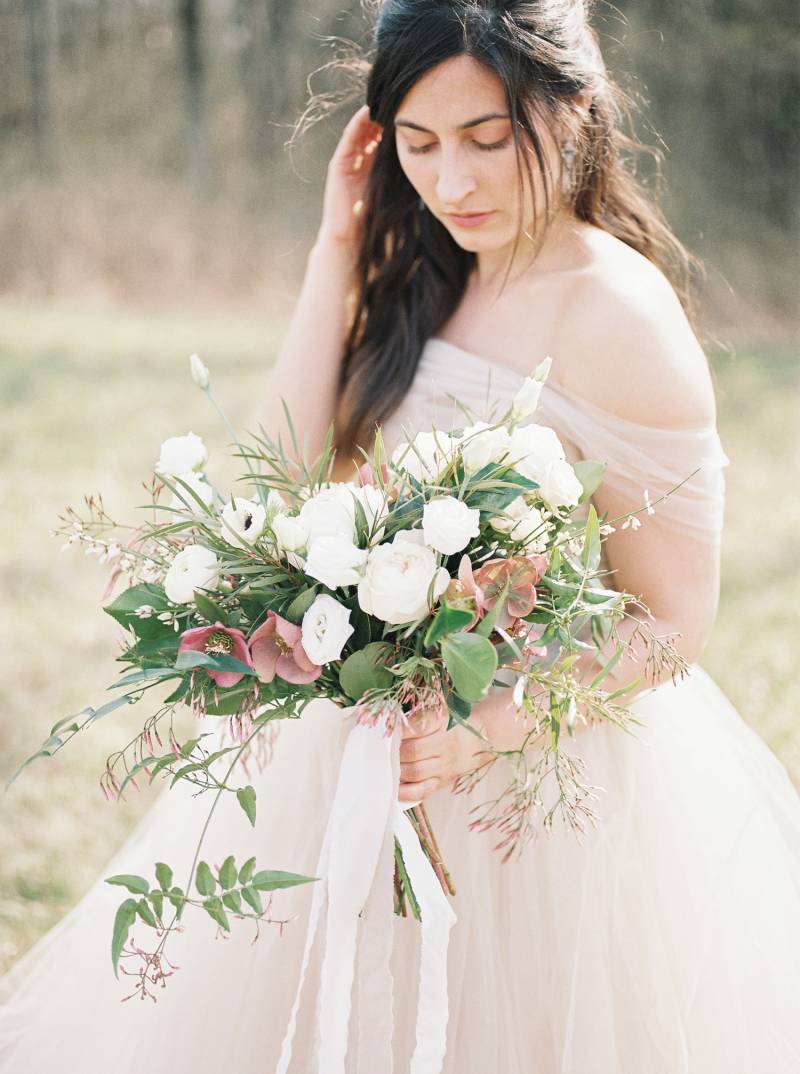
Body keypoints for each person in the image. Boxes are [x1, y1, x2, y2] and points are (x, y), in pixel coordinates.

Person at [2, 2, 799, 1071]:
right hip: (361, 748)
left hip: (533, 780)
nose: (452, 183)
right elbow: (279, 480)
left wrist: (487, 730)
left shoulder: (616, 315)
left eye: (484, 138)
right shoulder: (427, 268)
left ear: (571, 112)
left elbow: (672, 624)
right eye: (417, 145)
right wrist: (336, 247)